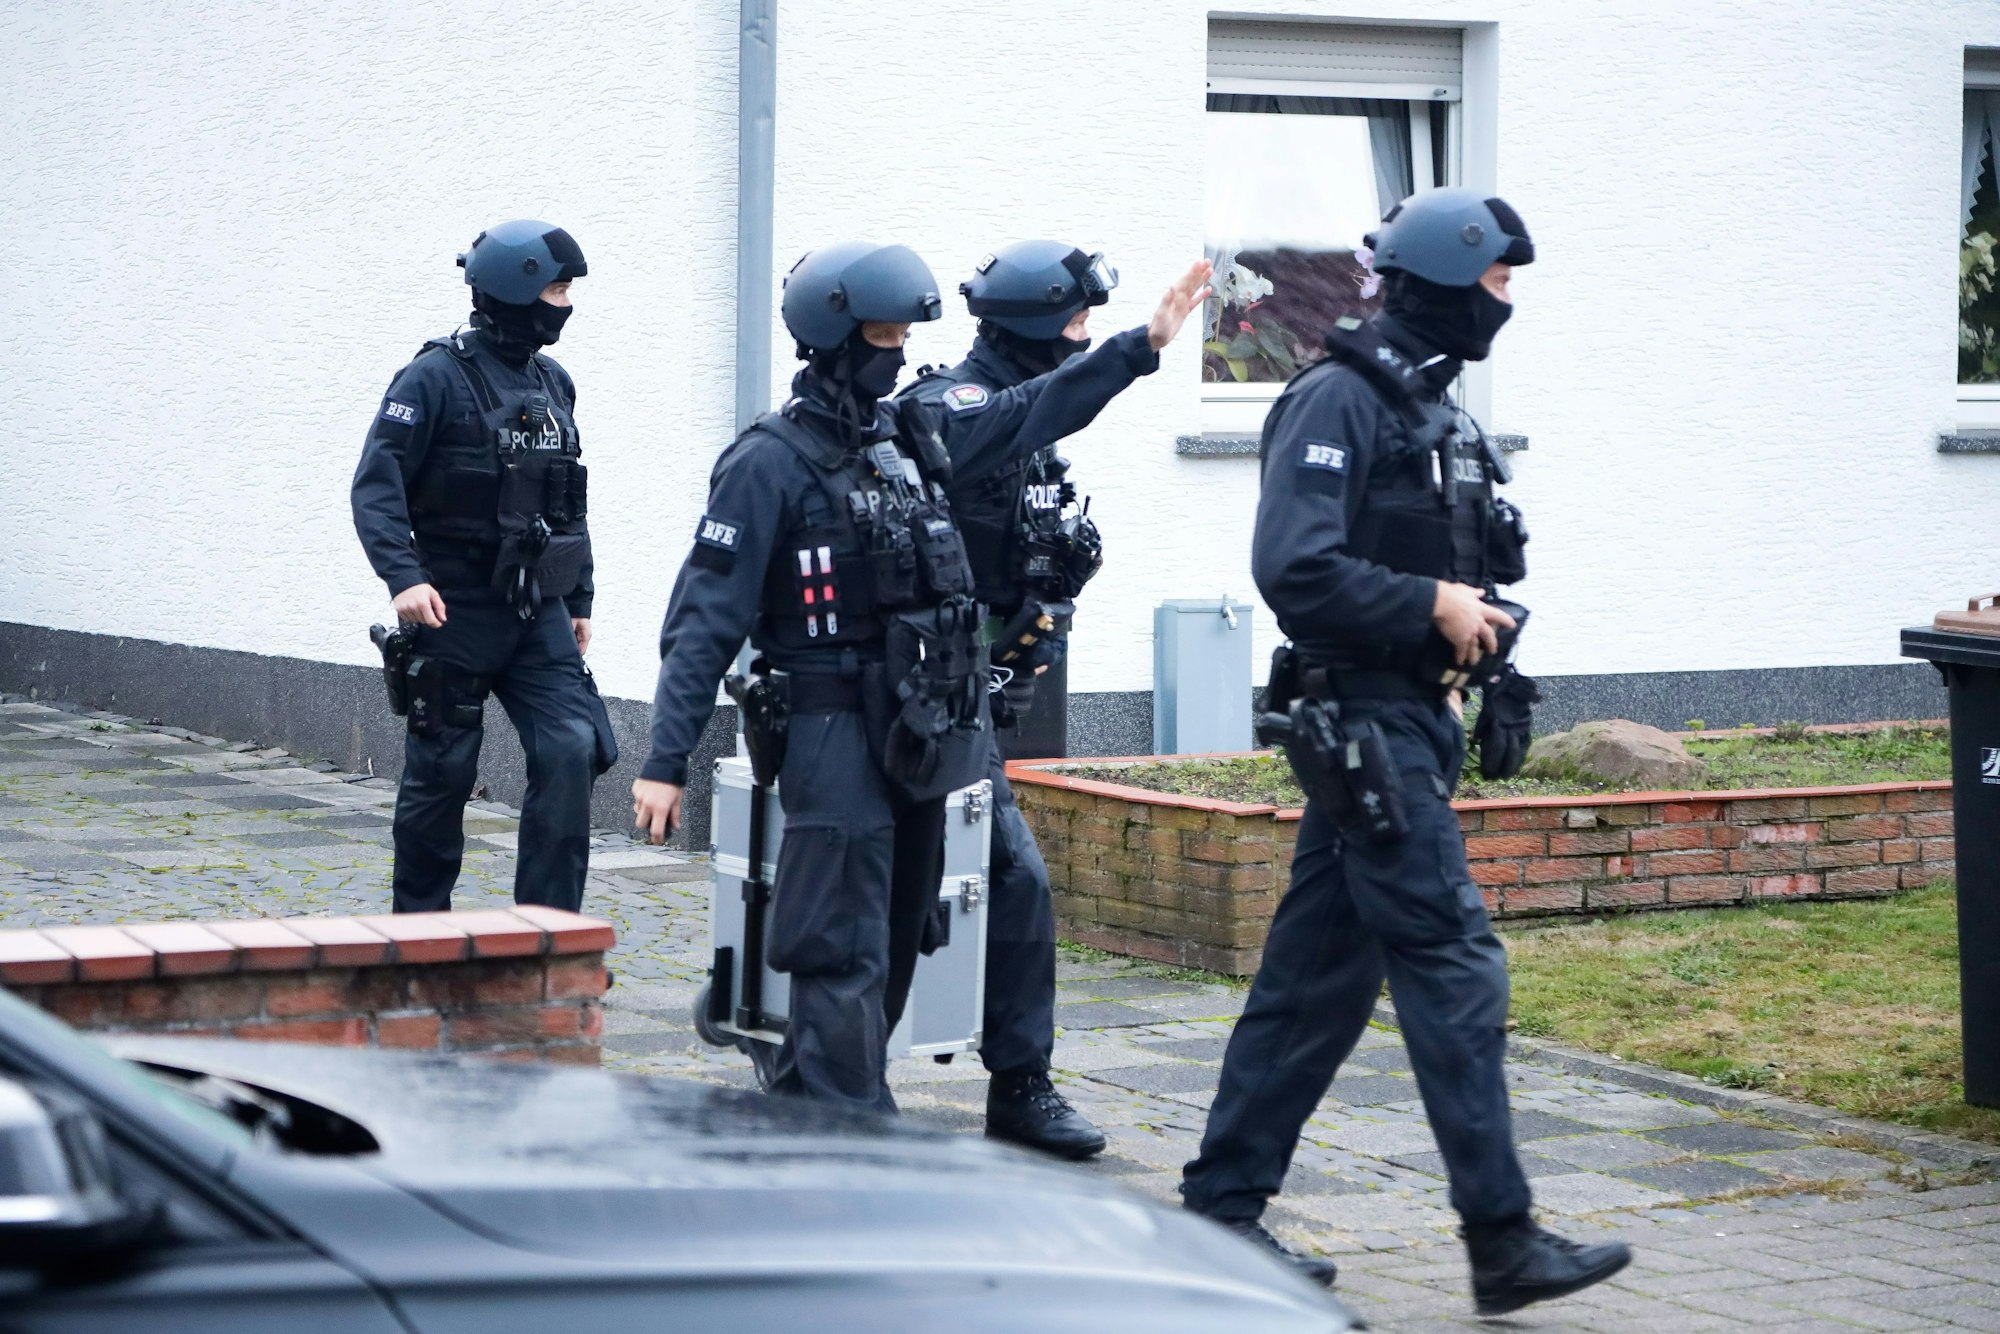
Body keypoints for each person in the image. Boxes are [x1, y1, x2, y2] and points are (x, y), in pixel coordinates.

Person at [1178, 188, 1632, 1316]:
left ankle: (1219, 1217)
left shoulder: (1430, 407)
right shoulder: (1336, 398)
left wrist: (1477, 627)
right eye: (1494, 282)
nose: (1504, 305)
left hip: (1409, 723)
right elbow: (1294, 569)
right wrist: (1429, 598)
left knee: (1313, 985)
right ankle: (1501, 1239)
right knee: (1452, 963)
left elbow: (1435, 556)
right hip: (1363, 726)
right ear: (1437, 277)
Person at [632, 242, 987, 1116]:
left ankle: (809, 1101)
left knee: (901, 935)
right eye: (880, 334)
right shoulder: (766, 463)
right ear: (832, 337)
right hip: (829, 729)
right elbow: (703, 618)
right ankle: (849, 1138)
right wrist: (665, 759)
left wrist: (1138, 349)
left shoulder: (903, 439)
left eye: (904, 336)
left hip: (916, 728)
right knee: (841, 945)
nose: (895, 352)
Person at [896, 245, 1212, 1156]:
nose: (1079, 342)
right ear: (1037, 322)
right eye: (1075, 324)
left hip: (986, 691)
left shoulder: (1029, 425)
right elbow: (1026, 410)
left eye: (1089, 327)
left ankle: (1020, 1085)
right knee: (946, 878)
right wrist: (1137, 347)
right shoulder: (947, 408)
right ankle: (834, 1075)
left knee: (1007, 881)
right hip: (908, 699)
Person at [351, 219, 615, 915]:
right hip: (454, 607)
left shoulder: (554, 383)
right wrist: (403, 578)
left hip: (537, 613)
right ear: (514, 290)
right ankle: (419, 936)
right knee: (443, 773)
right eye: (556, 288)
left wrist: (580, 596)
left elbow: (568, 499)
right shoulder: (434, 377)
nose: (565, 303)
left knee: (573, 748)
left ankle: (546, 936)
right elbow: (377, 487)